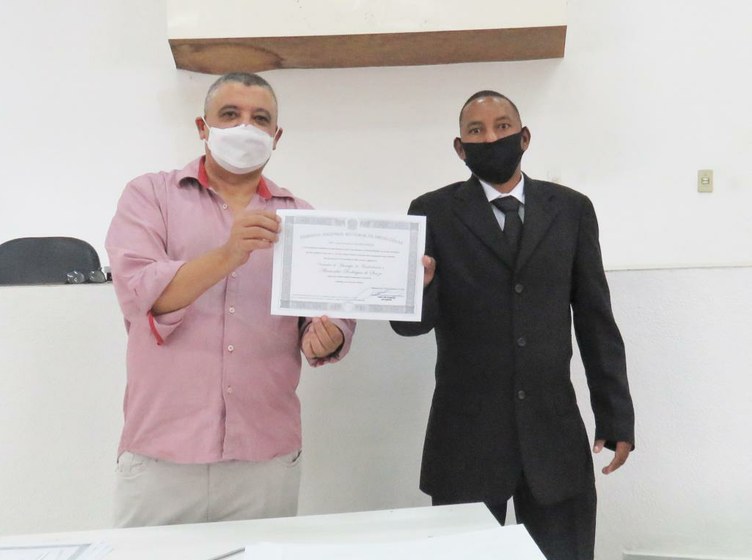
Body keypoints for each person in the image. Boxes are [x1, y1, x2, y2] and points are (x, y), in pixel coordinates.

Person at [390, 90, 634, 560]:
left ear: (524, 137)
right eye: (476, 131)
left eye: (502, 127)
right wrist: (417, 289)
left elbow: (595, 317)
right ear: (460, 148)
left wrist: (615, 415)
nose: (490, 138)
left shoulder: (571, 209)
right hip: (465, 440)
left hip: (554, 437)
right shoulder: (432, 211)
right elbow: (410, 327)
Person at [106, 72, 356, 527]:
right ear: (203, 127)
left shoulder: (300, 217)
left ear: (276, 136)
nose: (246, 127)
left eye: (260, 119)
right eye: (230, 114)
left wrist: (329, 334)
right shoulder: (150, 196)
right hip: (162, 455)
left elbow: (328, 311)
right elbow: (141, 293)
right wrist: (228, 254)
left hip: (265, 457)